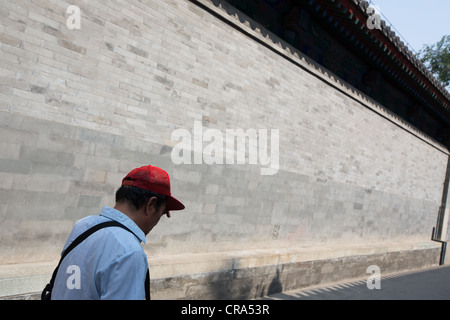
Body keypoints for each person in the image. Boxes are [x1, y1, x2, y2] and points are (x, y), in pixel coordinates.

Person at [50, 165, 185, 300]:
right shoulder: (129, 251)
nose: (156, 222)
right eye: (161, 214)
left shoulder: (83, 225)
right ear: (151, 204)